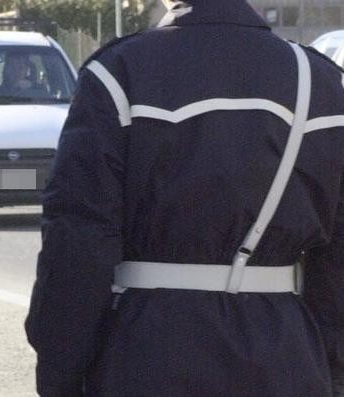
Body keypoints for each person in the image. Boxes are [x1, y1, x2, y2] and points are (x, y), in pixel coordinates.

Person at [25, 0, 344, 395]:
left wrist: (61, 369)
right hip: (285, 357)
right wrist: (330, 366)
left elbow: (78, 241)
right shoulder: (323, 83)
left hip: (146, 351)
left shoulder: (120, 73)